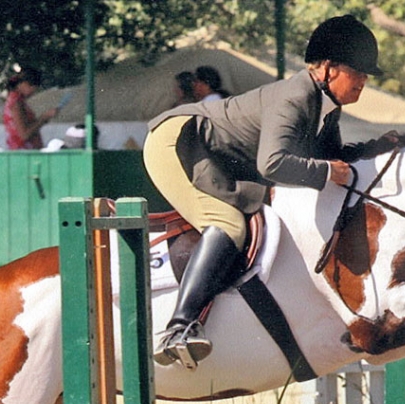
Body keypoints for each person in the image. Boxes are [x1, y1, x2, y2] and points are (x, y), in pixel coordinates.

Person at [142, 15, 382, 369]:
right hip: (178, 143)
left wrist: (381, 150)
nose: (363, 80)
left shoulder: (326, 109)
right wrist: (329, 170)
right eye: (357, 71)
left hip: (217, 156)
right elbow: (273, 165)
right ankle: (179, 327)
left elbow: (333, 159)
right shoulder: (295, 97)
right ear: (329, 69)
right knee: (229, 224)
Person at [3, 67, 58, 150]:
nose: (33, 93)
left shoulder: (17, 101)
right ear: (25, 84)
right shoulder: (16, 103)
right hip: (23, 151)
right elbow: (24, 135)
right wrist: (44, 118)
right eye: (32, 89)